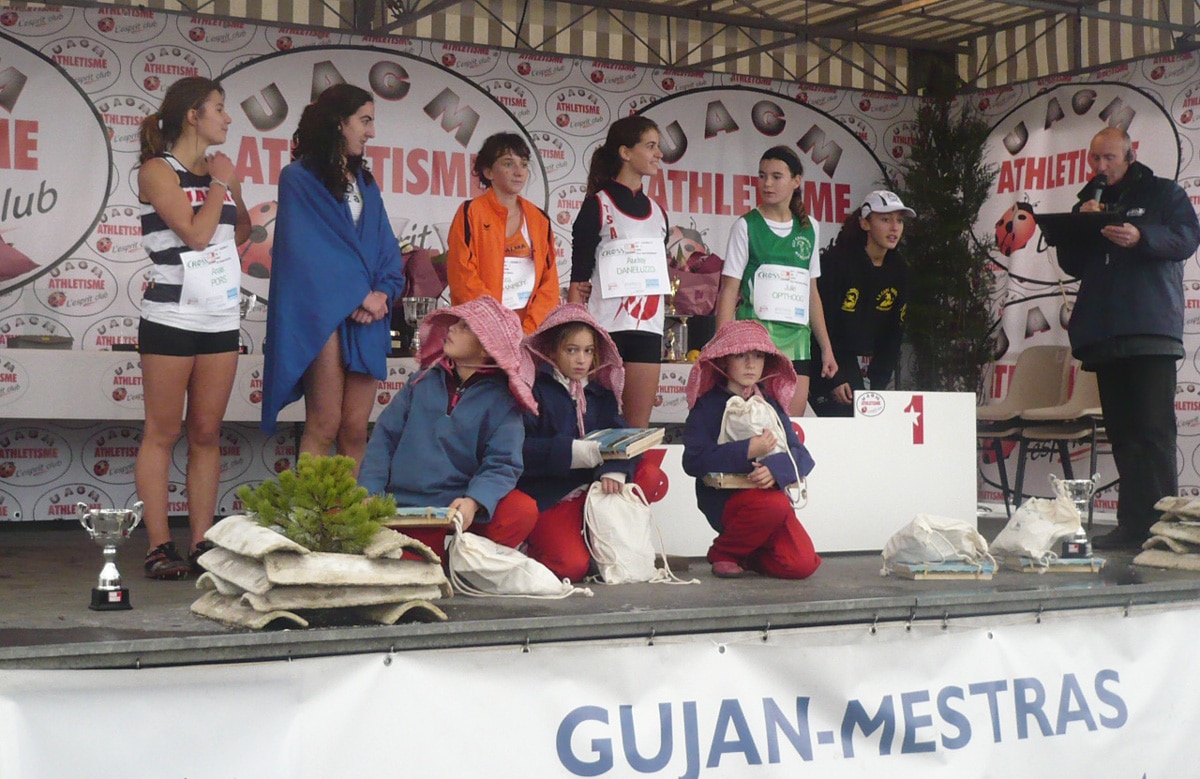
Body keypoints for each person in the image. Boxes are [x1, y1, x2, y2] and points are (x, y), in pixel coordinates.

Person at [1054, 127, 1200, 550]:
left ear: (1129, 156)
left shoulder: (1163, 193)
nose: (1100, 167)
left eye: (1109, 159)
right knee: (1122, 433)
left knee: (1154, 432)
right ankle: (1132, 526)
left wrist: (1141, 237)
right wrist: (1077, 228)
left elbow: (1187, 238)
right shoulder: (1089, 200)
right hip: (1104, 330)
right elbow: (1074, 264)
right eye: (1095, 159)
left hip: (1150, 329)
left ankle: (1165, 530)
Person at [134, 76, 251, 579]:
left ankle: (203, 541)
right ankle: (160, 545)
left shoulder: (218, 171)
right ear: (192, 115)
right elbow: (197, 236)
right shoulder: (158, 170)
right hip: (171, 315)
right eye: (219, 108)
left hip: (221, 316)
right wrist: (221, 183)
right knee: (163, 432)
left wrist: (231, 189)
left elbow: (239, 231)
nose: (227, 118)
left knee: (206, 432)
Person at [262, 84, 405, 473]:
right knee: (324, 423)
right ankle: (312, 524)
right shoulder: (297, 178)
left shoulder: (367, 184)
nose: (371, 131)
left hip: (368, 315)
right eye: (365, 120)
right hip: (321, 314)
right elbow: (306, 255)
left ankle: (350, 527)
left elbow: (386, 249)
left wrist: (382, 294)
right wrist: (359, 296)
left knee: (355, 430)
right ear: (339, 123)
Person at [359, 296, 539, 556]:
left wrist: (474, 501)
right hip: (402, 507)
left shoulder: (503, 401)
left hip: (458, 510)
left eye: (464, 326)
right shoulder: (419, 382)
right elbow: (384, 439)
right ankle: (450, 558)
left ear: (487, 348)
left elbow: (502, 463)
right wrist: (370, 492)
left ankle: (453, 555)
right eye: (455, 323)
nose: (452, 328)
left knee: (521, 510)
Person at [517, 303, 669, 581]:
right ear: (552, 350)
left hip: (596, 491)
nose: (581, 360)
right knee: (569, 567)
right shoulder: (534, 393)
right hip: (555, 496)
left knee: (649, 474)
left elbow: (624, 438)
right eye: (571, 350)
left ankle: (598, 547)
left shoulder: (602, 394)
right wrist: (572, 453)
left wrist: (613, 469)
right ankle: (538, 545)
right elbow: (520, 451)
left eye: (588, 351)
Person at [681, 320, 821, 579]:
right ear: (724, 361)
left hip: (770, 498)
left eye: (757, 356)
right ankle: (723, 552)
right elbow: (693, 461)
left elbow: (802, 456)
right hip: (728, 500)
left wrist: (775, 468)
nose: (750, 364)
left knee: (802, 564)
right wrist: (748, 449)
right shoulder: (708, 405)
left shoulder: (770, 404)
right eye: (741, 355)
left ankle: (745, 554)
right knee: (777, 505)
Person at [715, 146, 837, 416]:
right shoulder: (746, 226)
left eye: (776, 176)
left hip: (797, 343)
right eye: (762, 176)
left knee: (791, 429)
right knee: (754, 427)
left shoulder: (810, 228)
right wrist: (722, 347)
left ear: (796, 181)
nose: (767, 183)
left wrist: (826, 349)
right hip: (757, 345)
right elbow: (728, 291)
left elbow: (812, 293)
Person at [568, 115, 670, 428]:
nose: (658, 154)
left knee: (637, 430)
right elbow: (578, 281)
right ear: (625, 152)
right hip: (606, 330)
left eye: (658, 147)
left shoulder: (659, 213)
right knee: (596, 426)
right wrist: (575, 332)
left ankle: (631, 479)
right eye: (650, 146)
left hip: (648, 330)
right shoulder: (597, 205)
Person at [810, 191, 911, 416]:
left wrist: (879, 385)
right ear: (865, 223)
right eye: (885, 219)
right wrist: (835, 378)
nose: (894, 227)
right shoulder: (836, 263)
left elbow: (894, 334)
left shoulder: (900, 269)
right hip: (828, 362)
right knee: (844, 420)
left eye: (899, 220)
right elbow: (819, 326)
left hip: (867, 368)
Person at [446, 132, 559, 334]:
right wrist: (496, 324)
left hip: (528, 333)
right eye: (508, 164)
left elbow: (549, 284)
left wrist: (529, 330)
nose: (519, 172)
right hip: (481, 331)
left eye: (524, 164)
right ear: (488, 172)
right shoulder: (470, 212)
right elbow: (463, 277)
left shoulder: (539, 219)